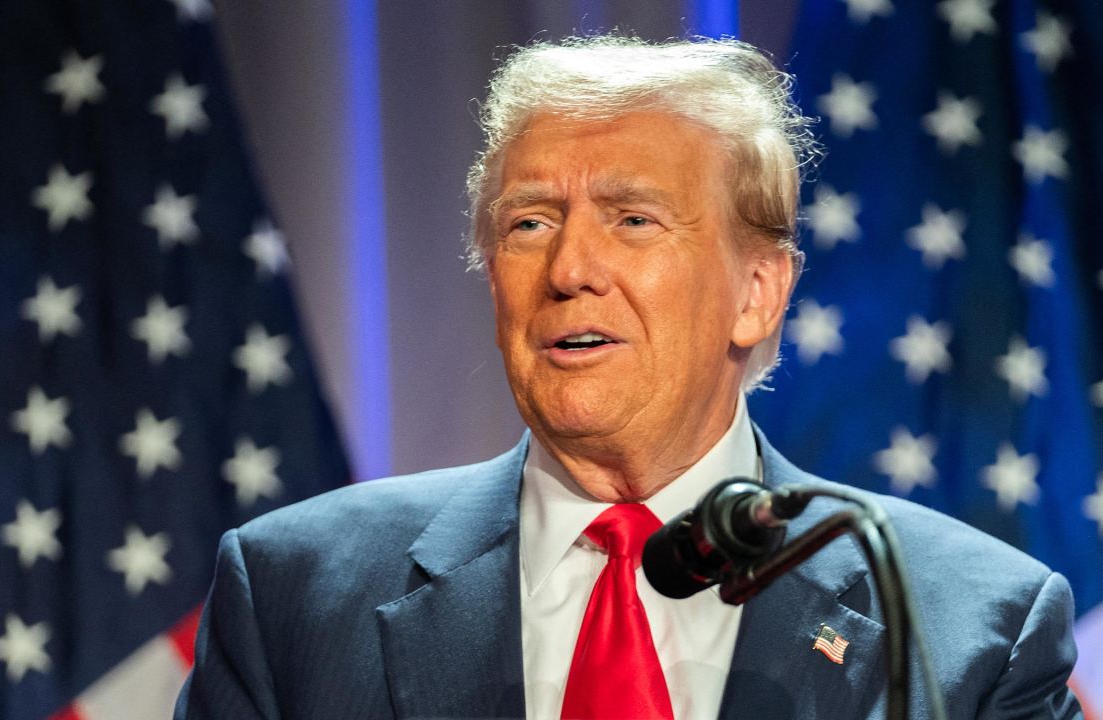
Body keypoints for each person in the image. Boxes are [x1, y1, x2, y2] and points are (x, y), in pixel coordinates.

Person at [174, 36, 1082, 719]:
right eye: (528, 223)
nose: (569, 267)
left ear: (757, 294)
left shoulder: (970, 628)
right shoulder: (294, 590)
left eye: (634, 220)